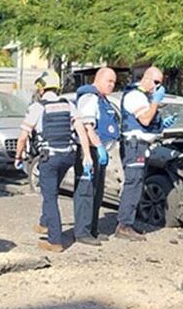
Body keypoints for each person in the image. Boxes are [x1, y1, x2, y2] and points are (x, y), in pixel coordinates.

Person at [14, 71, 93, 253]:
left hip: (49, 157)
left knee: (50, 197)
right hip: (68, 157)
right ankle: (44, 222)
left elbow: (23, 136)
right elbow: (81, 130)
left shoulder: (37, 107)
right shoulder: (68, 105)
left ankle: (55, 240)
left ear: (42, 88)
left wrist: (18, 156)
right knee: (52, 189)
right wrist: (87, 154)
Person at [116, 66, 176, 241]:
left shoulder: (145, 97)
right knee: (133, 184)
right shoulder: (135, 96)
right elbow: (145, 119)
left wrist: (162, 124)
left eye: (161, 84)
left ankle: (128, 222)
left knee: (138, 184)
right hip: (134, 146)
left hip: (141, 146)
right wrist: (156, 102)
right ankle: (124, 225)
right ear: (147, 78)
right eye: (156, 83)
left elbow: (148, 124)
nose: (158, 87)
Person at [73, 67, 120, 244]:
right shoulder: (89, 97)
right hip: (89, 151)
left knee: (97, 193)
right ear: (98, 79)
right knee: (85, 192)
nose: (112, 85)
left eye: (114, 82)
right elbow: (86, 126)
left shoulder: (103, 99)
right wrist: (98, 147)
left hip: (100, 152)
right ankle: (82, 232)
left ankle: (92, 229)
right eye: (109, 81)